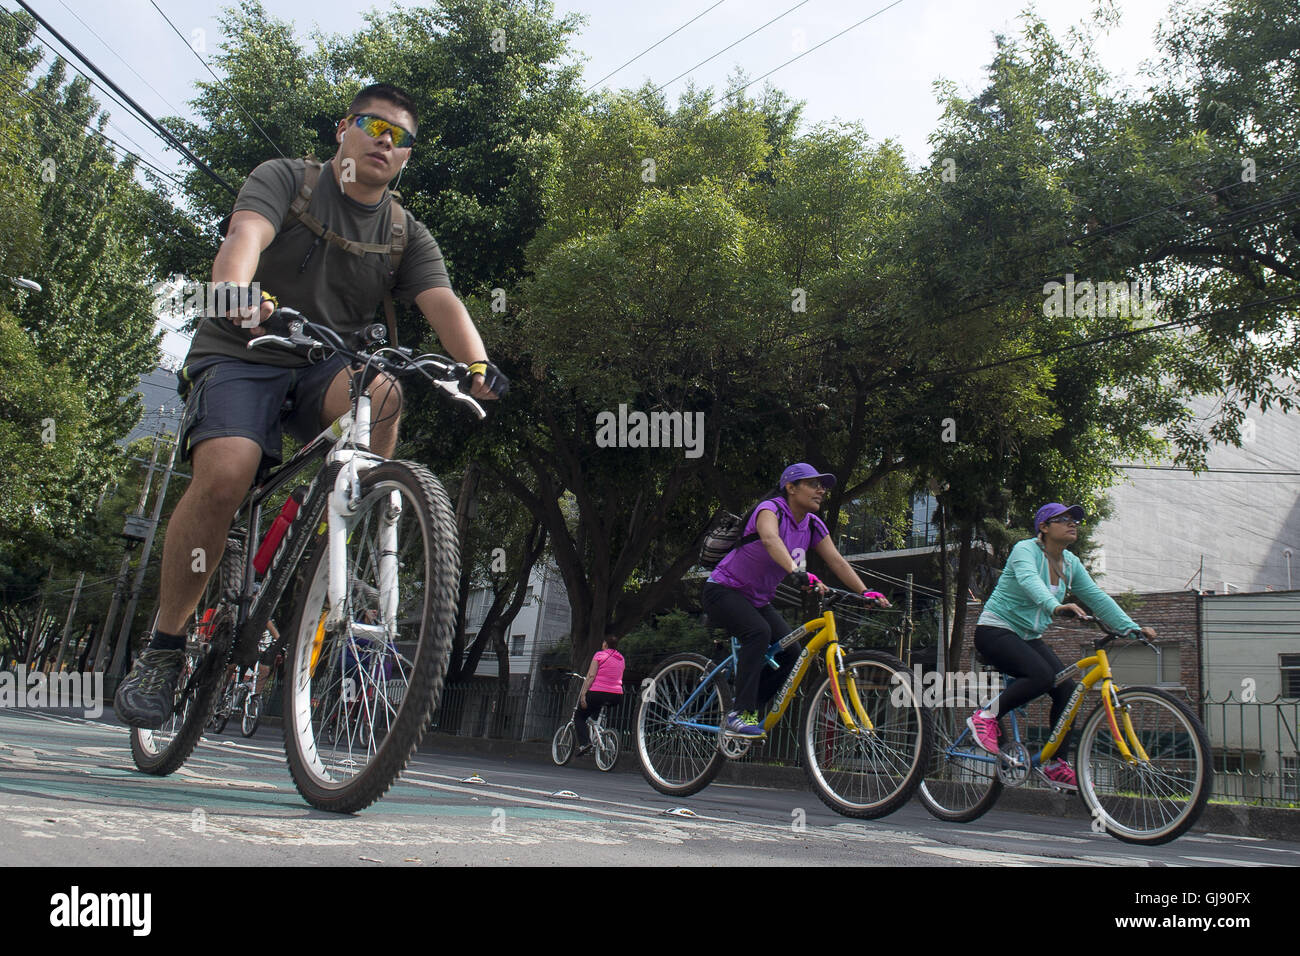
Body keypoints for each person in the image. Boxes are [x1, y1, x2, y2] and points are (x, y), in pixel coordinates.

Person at [116, 83, 509, 728]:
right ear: (342, 130)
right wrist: (235, 293)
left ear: (408, 157)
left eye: (400, 137)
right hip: (244, 350)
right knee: (229, 472)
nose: (385, 141)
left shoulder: (407, 232)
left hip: (323, 365)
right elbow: (245, 234)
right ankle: (164, 645)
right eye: (372, 125)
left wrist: (476, 365)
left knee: (383, 390)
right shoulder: (286, 180)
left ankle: (345, 522)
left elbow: (442, 302)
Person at [967, 502, 1156, 790]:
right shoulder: (1025, 549)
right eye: (1063, 519)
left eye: (1075, 520)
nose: (1073, 524)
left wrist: (1131, 629)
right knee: (1041, 676)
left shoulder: (1070, 564)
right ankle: (985, 716)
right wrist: (1055, 607)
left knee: (1066, 688)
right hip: (996, 629)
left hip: (1028, 637)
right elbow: (1029, 580)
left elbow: (1096, 597)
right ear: (1043, 527)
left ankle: (1056, 763)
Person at [702, 463, 890, 738]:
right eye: (813, 484)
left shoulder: (813, 524)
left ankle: (750, 710)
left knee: (791, 652)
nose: (821, 490)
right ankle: (737, 714)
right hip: (723, 590)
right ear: (790, 487)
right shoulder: (771, 509)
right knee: (758, 632)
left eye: (823, 485)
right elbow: (769, 539)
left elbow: (836, 561)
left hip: (756, 600)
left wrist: (865, 592)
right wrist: (796, 571)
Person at [573, 635, 625, 755]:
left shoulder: (599, 655)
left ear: (605, 644)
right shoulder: (621, 658)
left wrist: (583, 694)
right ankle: (597, 726)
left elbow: (591, 676)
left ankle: (585, 744)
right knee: (595, 709)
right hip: (616, 695)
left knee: (579, 717)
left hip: (598, 692)